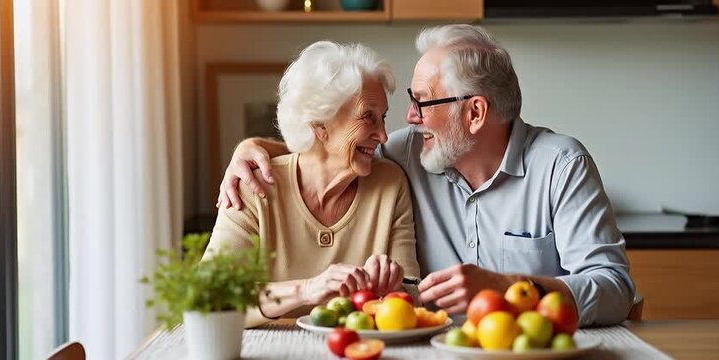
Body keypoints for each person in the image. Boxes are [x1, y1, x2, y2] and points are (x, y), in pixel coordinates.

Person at [218, 24, 635, 327]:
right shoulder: (409, 150)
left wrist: (508, 286)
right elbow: (329, 148)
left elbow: (615, 289)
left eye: (423, 101)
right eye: (409, 101)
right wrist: (251, 148)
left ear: (474, 113)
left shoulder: (561, 167)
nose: (409, 118)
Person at [204, 41, 420, 328]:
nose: (383, 135)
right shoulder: (254, 186)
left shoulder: (389, 185)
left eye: (382, 118)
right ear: (320, 124)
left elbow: (411, 295)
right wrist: (305, 290)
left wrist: (391, 286)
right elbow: (210, 297)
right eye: (368, 117)